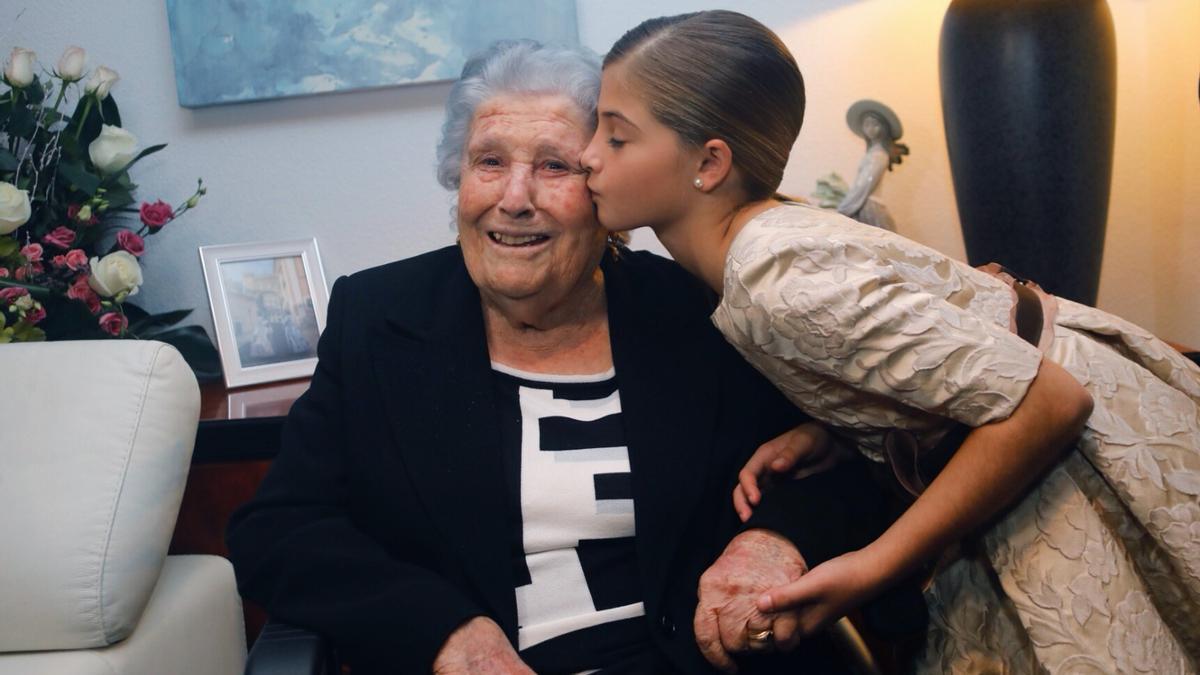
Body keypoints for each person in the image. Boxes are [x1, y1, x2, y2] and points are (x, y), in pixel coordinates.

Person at [227, 40, 916, 675]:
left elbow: (836, 469)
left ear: (604, 188)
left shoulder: (701, 308)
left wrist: (772, 540)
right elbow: (280, 528)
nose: (514, 198)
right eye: (489, 161)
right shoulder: (379, 319)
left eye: (554, 165)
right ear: (458, 178)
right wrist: (445, 629)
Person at [581, 10, 1200, 673]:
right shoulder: (763, 242)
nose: (587, 153)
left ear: (708, 162)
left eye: (616, 138)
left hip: (1079, 451)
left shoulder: (767, 275)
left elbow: (1047, 399)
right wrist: (843, 426)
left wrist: (868, 567)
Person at [835, 99, 909, 231]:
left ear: (884, 127)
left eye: (875, 124)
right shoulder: (873, 153)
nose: (870, 129)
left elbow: (864, 185)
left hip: (868, 206)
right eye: (866, 125)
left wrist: (844, 207)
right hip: (862, 203)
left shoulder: (879, 155)